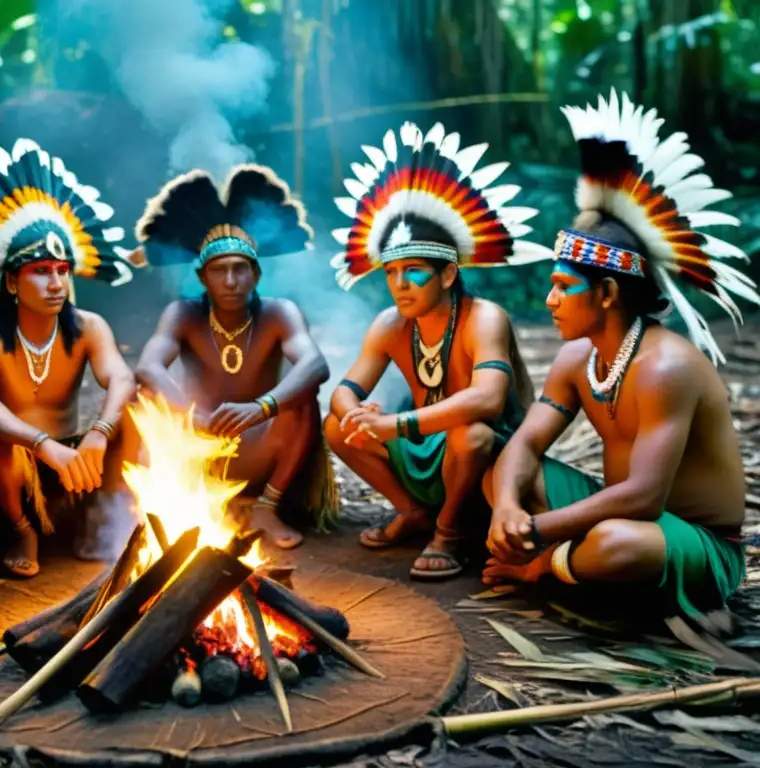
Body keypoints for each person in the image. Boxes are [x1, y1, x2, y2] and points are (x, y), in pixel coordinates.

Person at [483, 90, 760, 628]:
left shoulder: (666, 367)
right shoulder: (576, 358)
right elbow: (526, 443)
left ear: (607, 294)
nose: (550, 300)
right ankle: (571, 566)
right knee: (502, 468)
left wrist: (536, 537)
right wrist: (507, 510)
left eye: (563, 287)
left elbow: (644, 496)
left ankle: (545, 570)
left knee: (615, 542)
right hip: (622, 511)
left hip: (690, 538)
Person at [324, 120, 553, 579]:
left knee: (470, 434)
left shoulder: (483, 317)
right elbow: (343, 390)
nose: (399, 284)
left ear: (448, 275)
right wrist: (356, 414)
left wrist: (392, 424)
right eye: (391, 272)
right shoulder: (389, 325)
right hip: (423, 444)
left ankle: (449, 532)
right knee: (334, 427)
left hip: (492, 459)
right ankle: (413, 513)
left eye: (413, 271)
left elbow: (487, 401)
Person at [0, 138, 139, 579]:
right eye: (40, 271)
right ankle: (20, 529)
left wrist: (98, 434)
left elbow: (123, 379)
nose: (55, 283)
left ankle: (98, 519)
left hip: (73, 463)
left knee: (135, 407)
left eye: (61, 270)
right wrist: (40, 443)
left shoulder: (89, 326)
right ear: (13, 281)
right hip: (9, 470)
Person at [132, 164, 334, 550]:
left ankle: (266, 508)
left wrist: (262, 408)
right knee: (142, 397)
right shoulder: (183, 313)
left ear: (256, 275)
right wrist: (196, 418)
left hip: (261, 444)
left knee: (302, 399)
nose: (230, 281)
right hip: (200, 444)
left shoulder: (278, 312)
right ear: (202, 277)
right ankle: (145, 511)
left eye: (240, 270)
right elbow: (148, 366)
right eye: (219, 271)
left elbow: (315, 364)